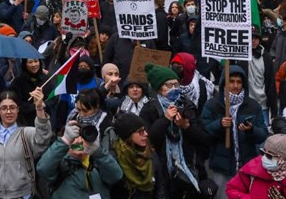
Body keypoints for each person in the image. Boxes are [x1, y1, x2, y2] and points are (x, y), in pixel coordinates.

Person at [139, 65, 211, 198]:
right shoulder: (149, 109)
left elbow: (204, 139)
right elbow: (148, 140)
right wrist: (165, 120)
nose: (174, 88)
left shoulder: (187, 105)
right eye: (169, 85)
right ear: (159, 88)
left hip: (188, 169)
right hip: (162, 171)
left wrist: (186, 127)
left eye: (176, 84)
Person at [202, 66, 269, 194]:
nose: (235, 85)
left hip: (247, 164)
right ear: (224, 83)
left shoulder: (253, 106)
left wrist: (251, 130)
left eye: (239, 82)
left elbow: (263, 134)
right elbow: (204, 131)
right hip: (222, 166)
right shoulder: (213, 105)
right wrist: (219, 125)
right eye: (231, 81)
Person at [0, 89, 54, 199]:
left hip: (21, 195)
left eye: (12, 107)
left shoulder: (26, 134)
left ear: (18, 109)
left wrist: (39, 108)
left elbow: (43, 137)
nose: (8, 112)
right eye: (4, 108)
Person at [36, 118, 124, 199]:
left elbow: (116, 176)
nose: (79, 141)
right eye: (74, 138)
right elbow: (43, 168)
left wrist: (99, 152)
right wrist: (65, 141)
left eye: (83, 137)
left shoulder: (97, 161)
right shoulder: (58, 163)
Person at [226, 134, 286, 199]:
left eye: (269, 156)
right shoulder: (252, 168)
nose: (264, 158)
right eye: (263, 152)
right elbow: (232, 189)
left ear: (284, 160)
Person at [112, 112, 159, 199]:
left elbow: (160, 186)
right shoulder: (116, 158)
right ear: (128, 135)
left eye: (145, 130)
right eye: (140, 132)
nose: (146, 134)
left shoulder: (150, 152)